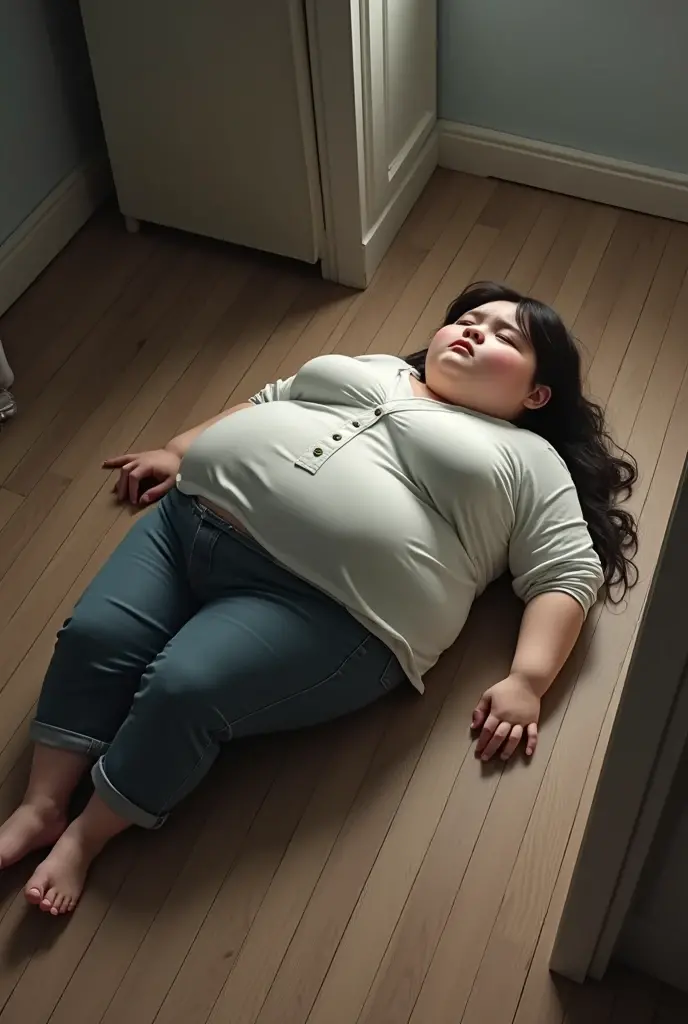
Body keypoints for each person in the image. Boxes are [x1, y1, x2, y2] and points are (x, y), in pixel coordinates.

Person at [0, 281, 638, 916]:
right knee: (95, 637)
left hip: (329, 609)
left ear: (536, 393)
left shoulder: (530, 459)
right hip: (186, 525)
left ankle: (85, 838)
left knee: (183, 688)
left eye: (507, 336)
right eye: (468, 319)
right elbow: (272, 400)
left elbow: (565, 572)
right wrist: (179, 448)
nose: (475, 330)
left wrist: (528, 679)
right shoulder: (379, 369)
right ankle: (41, 806)